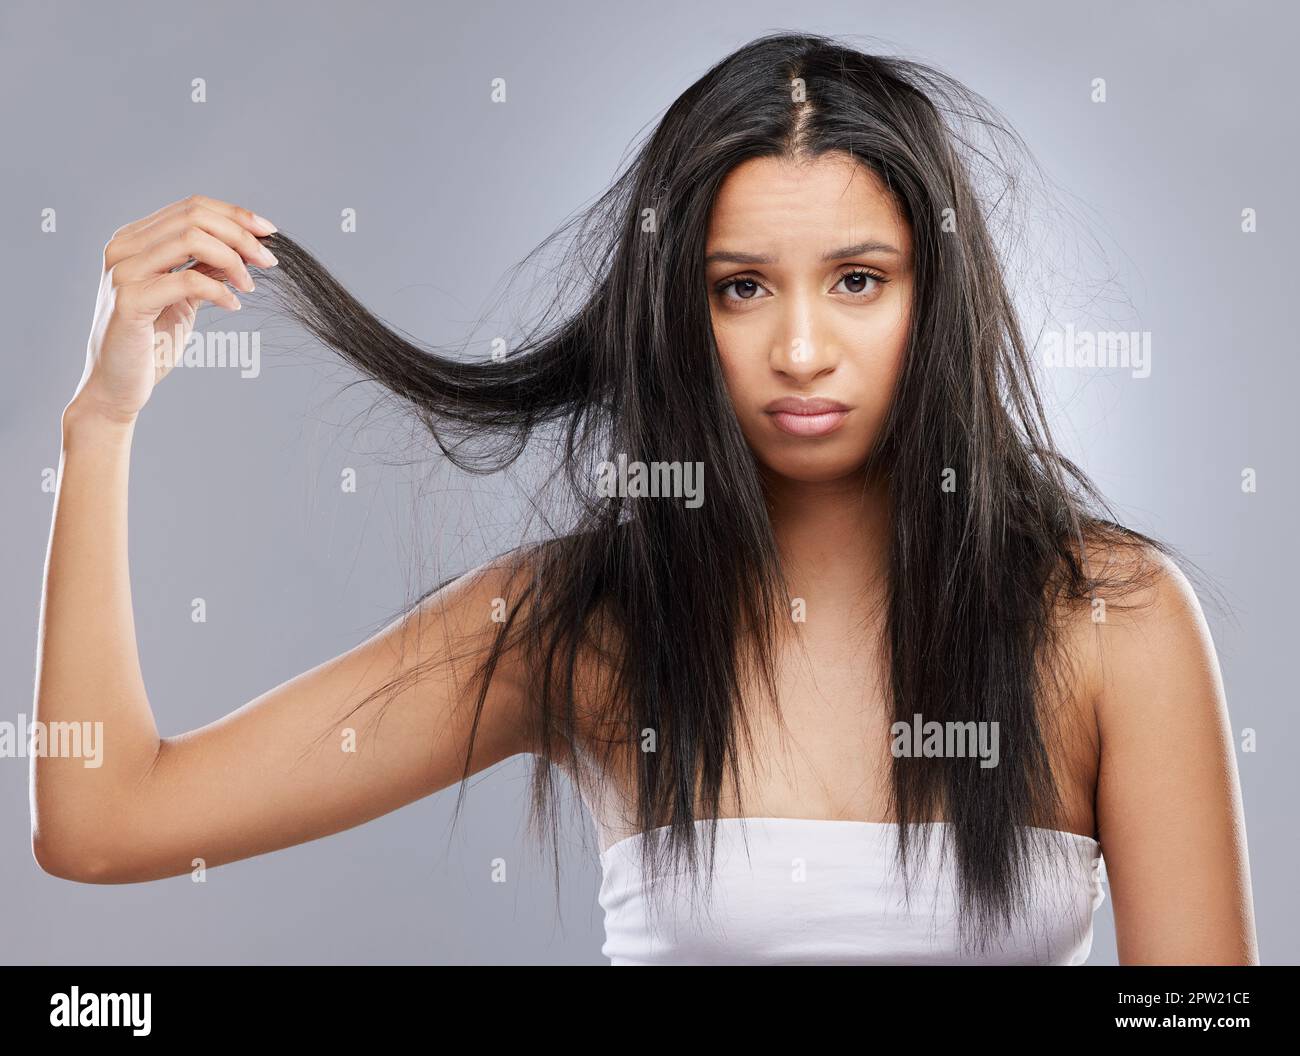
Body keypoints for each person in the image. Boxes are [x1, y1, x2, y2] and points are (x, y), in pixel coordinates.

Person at [30, 31, 1257, 965]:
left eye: (858, 280)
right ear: (679, 310)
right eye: (739, 288)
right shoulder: (584, 624)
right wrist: (100, 424)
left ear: (935, 299)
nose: (801, 348)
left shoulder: (1111, 621)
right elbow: (102, 820)